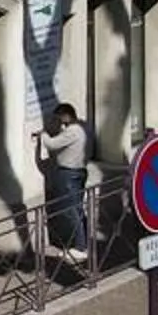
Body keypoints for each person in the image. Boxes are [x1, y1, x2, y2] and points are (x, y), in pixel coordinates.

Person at [35, 102, 92, 264]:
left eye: (59, 118)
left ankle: (80, 248)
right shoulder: (80, 129)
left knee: (70, 210)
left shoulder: (73, 131)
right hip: (78, 172)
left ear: (67, 115)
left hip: (68, 174)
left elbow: (52, 144)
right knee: (77, 209)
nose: (58, 121)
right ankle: (84, 243)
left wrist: (43, 135)